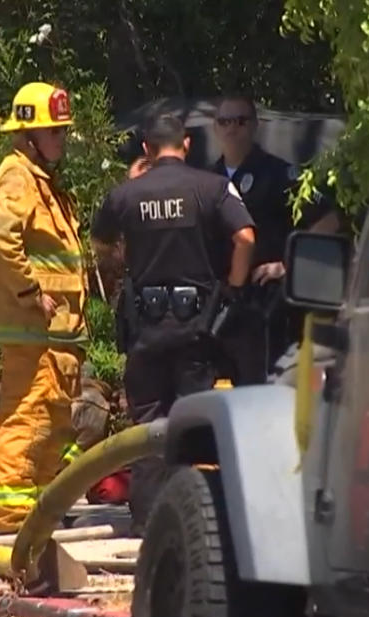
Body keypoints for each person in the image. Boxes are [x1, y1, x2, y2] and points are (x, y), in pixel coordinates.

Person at [92, 113, 255, 535]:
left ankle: (147, 521)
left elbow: (101, 242)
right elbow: (246, 238)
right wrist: (233, 291)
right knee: (195, 423)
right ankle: (197, 518)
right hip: (197, 330)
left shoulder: (125, 196)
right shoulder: (212, 188)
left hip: (145, 329)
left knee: (147, 427)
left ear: (146, 148)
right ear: (185, 145)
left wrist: (118, 281)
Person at [0, 81, 90, 534]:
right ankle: (11, 519)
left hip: (55, 334)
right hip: (34, 330)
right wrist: (30, 293)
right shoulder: (17, 176)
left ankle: (41, 511)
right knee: (26, 421)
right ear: (29, 136)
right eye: (55, 132)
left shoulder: (42, 183)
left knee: (51, 426)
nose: (62, 139)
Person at [211, 94, 340, 384]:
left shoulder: (280, 174)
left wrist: (289, 265)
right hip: (219, 305)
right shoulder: (209, 180)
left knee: (261, 391)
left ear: (255, 125)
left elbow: (327, 220)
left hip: (265, 305)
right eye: (225, 121)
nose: (232, 128)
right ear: (215, 128)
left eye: (241, 121)